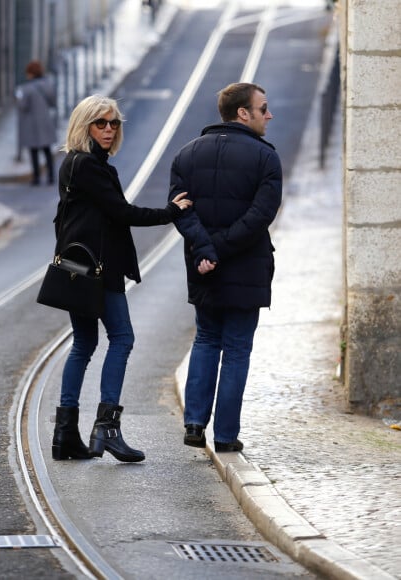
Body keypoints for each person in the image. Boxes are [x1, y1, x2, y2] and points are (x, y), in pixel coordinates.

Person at [52, 94, 192, 463]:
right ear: (85, 126)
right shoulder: (91, 168)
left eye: (114, 123)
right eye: (101, 123)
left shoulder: (72, 164)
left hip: (75, 268)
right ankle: (107, 428)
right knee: (122, 338)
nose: (110, 130)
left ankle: (65, 433)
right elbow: (122, 212)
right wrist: (169, 212)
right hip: (99, 269)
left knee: (83, 345)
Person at [168, 82, 282, 453]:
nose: (269, 115)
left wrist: (206, 250)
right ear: (242, 113)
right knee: (235, 349)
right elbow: (260, 216)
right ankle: (226, 435)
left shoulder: (186, 155)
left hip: (204, 267)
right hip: (245, 266)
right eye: (263, 108)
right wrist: (220, 249)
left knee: (206, 339)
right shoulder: (266, 158)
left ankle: (195, 422)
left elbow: (180, 211)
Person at [15, 60, 57, 186]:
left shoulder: (26, 89)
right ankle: (51, 176)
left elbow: (23, 106)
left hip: (32, 124)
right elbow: (52, 102)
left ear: (31, 74)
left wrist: (18, 97)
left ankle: (36, 177)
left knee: (33, 151)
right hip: (45, 121)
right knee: (47, 150)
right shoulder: (48, 84)